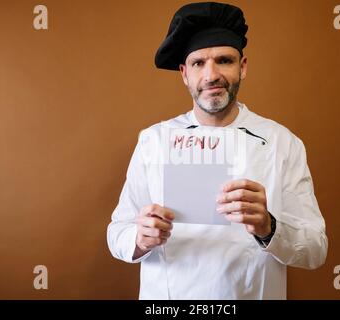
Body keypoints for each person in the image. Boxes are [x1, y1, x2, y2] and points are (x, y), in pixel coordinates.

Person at [107, 2, 328, 300]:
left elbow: (315, 249)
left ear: (243, 66)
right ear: (185, 73)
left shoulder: (282, 143)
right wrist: (140, 238)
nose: (211, 75)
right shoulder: (154, 141)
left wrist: (268, 226)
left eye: (224, 60)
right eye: (199, 63)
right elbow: (117, 232)